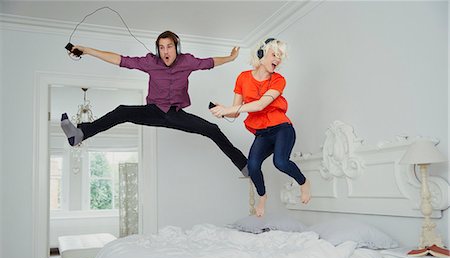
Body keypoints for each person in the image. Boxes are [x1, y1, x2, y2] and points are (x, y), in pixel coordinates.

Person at [61, 30, 248, 176]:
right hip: (153, 111)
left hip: (176, 114)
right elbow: (119, 59)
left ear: (177, 47)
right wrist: (86, 50)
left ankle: (245, 167)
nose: (165, 51)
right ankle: (80, 134)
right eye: (161, 47)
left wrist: (231, 58)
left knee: (212, 129)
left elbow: (210, 62)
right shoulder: (151, 62)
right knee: (122, 111)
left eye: (169, 46)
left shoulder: (187, 61)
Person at [210, 38, 311, 217]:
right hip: (262, 133)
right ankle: (262, 197)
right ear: (261, 55)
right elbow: (235, 113)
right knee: (253, 166)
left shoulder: (279, 80)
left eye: (280, 57)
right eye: (274, 55)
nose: (278, 60)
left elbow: (260, 105)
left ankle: (303, 183)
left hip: (282, 128)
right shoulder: (243, 78)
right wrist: (223, 111)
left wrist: (229, 109)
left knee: (280, 162)